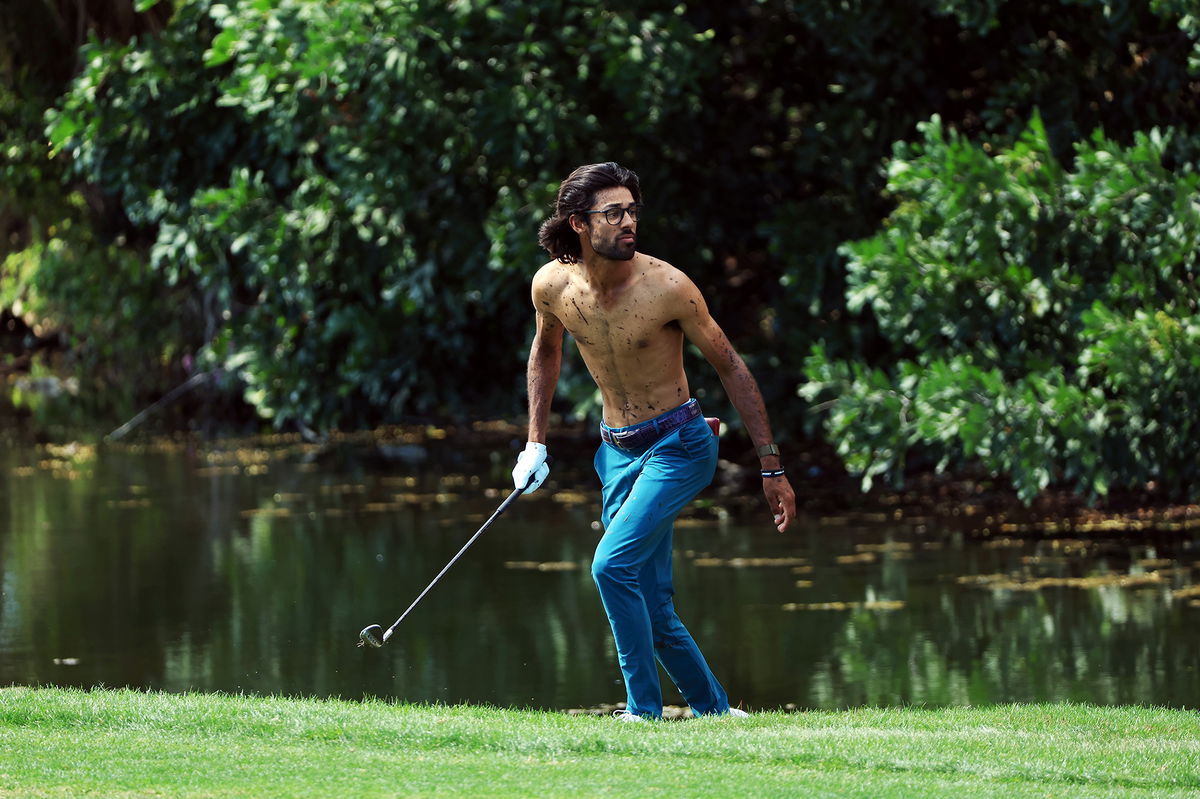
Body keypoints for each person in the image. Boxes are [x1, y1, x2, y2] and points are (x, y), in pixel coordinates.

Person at [512, 162, 797, 721]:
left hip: (680, 445)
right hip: (615, 450)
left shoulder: (668, 287)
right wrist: (535, 444)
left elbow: (732, 368)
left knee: (610, 567)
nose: (628, 222)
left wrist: (771, 466)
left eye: (632, 211)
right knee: (649, 599)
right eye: (613, 213)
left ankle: (642, 713)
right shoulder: (552, 286)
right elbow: (545, 353)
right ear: (578, 224)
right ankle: (716, 713)